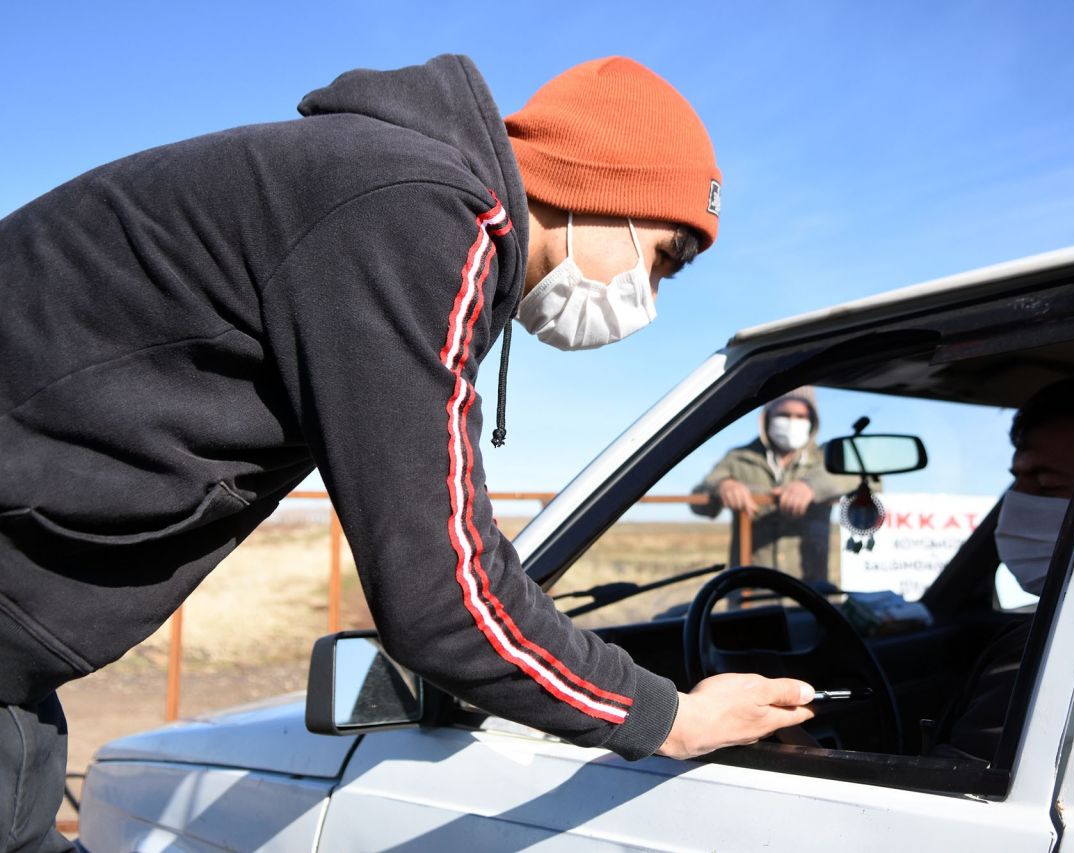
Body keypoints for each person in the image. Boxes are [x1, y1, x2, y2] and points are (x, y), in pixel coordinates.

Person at [0, 55, 814, 850]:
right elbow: (444, 597)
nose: (652, 298)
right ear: (605, 192)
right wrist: (671, 716)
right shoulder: (416, 215)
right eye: (664, 261)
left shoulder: (393, 194)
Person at [930, 372, 1074, 762]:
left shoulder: (1053, 653)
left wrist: (799, 746)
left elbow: (948, 801)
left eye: (1046, 485)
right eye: (1018, 479)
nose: (1017, 504)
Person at [693, 387, 857, 586]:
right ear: (767, 417)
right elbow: (698, 502)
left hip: (808, 592)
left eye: (800, 416)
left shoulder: (825, 460)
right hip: (750, 591)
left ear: (812, 420)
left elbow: (864, 481)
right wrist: (722, 485)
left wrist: (812, 486)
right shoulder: (739, 459)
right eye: (784, 415)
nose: (791, 422)